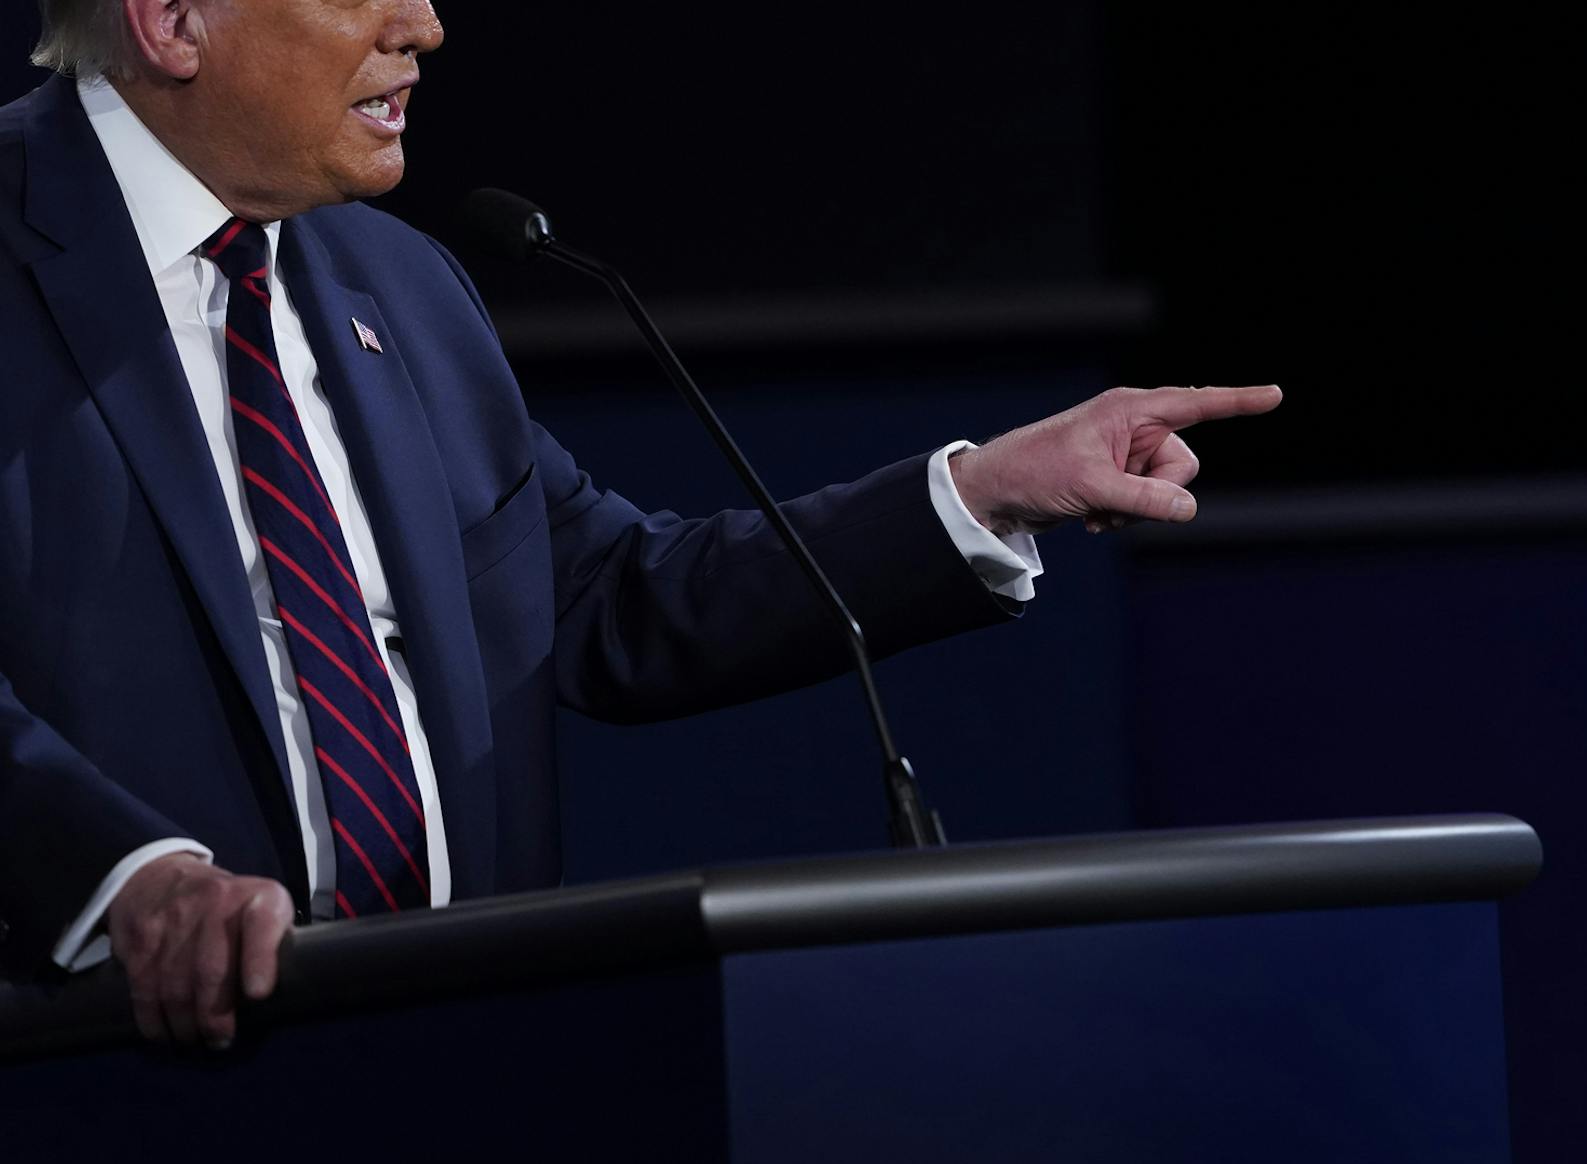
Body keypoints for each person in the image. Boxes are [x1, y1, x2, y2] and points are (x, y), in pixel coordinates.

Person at [0, 0, 1280, 1051]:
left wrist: (982, 492)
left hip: (456, 1061)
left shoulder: (397, 281)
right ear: (173, 21)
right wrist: (120, 875)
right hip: (117, 1072)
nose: (425, 26)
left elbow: (605, 592)